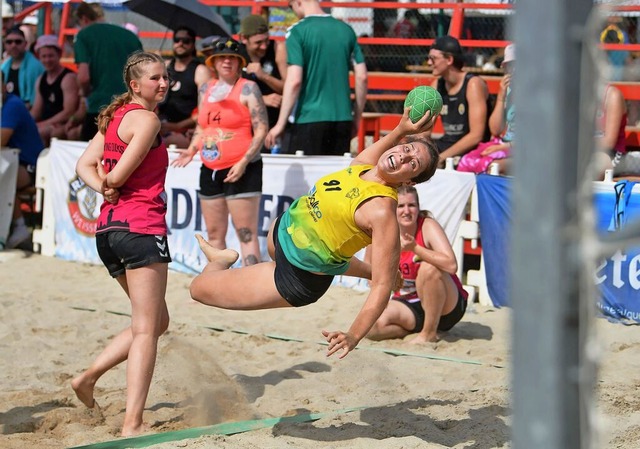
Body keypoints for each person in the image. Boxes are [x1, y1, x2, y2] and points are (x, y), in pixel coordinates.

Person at [189, 108, 440, 359]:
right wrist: (402, 130)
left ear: (410, 182)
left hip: (297, 277)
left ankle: (222, 260)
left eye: (413, 164)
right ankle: (367, 268)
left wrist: (353, 335)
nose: (404, 158)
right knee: (330, 250)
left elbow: (383, 287)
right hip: (281, 233)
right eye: (407, 150)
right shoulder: (363, 167)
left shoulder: (382, 212)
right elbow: (389, 146)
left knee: (198, 289)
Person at [72, 51, 171, 437]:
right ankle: (133, 424)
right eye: (155, 79)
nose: (162, 84)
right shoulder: (146, 119)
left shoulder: (115, 117)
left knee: (156, 321)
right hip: (140, 228)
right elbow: (121, 174)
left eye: (165, 78)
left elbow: (85, 165)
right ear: (135, 85)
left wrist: (102, 187)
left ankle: (88, 378)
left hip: (108, 232)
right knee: (148, 328)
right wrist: (108, 185)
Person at [172, 38, 268, 267]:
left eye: (232, 58)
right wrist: (191, 150)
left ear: (239, 63)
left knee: (245, 233)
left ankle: (251, 287)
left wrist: (244, 162)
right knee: (214, 234)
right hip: (211, 166)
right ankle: (216, 285)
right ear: (213, 62)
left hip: (242, 167)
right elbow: (203, 127)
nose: (227, 61)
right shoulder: (206, 88)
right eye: (222, 57)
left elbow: (262, 128)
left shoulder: (247, 87)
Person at [264, 0, 368, 156]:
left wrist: (280, 124)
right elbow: (362, 76)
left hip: (308, 118)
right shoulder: (346, 30)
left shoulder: (297, 31)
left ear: (298, 2)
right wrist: (356, 117)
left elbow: (294, 81)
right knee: (336, 177)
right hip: (342, 118)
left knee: (308, 178)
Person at [366, 185, 468, 344]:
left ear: (418, 207)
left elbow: (451, 265)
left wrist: (416, 248)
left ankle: (429, 333)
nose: (406, 211)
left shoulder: (427, 226)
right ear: (393, 208)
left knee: (428, 269)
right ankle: (412, 330)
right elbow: (369, 272)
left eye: (411, 205)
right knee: (371, 328)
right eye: (401, 206)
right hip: (409, 302)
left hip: (447, 306)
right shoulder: (382, 231)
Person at [74, 1, 143, 141]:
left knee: (89, 156)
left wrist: (84, 93)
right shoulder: (130, 36)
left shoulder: (83, 35)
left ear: (84, 19)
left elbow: (83, 77)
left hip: (100, 106)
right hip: (131, 106)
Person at [421, 35, 489, 167]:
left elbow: (476, 136)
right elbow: (425, 128)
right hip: (447, 144)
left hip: (473, 149)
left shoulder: (472, 84)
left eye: (433, 58)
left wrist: (441, 158)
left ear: (449, 59)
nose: (429, 63)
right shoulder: (437, 85)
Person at [1, 72, 45, 249]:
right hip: (12, 162)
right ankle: (18, 226)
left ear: (4, 86)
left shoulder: (12, 105)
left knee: (3, 176)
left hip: (32, 166)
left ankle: (19, 226)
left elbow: (1, 140)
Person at [457, 43, 515, 175]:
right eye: (509, 67)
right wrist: (501, 96)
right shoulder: (509, 91)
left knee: (492, 166)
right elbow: (495, 129)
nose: (512, 71)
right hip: (504, 143)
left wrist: (504, 147)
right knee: (466, 161)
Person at [238, 14, 287, 153]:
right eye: (258, 42)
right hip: (245, 127)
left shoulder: (277, 49)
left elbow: (287, 87)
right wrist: (262, 100)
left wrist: (264, 76)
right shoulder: (236, 55)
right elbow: (228, 93)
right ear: (243, 39)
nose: (264, 46)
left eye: (266, 40)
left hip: (273, 126)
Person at [158, 25, 211, 148]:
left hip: (186, 131)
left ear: (193, 45)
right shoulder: (165, 66)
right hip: (161, 126)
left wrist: (177, 126)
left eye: (186, 41)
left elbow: (205, 109)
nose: (180, 43)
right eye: (177, 40)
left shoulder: (200, 70)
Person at [30, 35, 80, 146]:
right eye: (44, 56)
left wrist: (43, 124)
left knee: (41, 132)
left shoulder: (68, 78)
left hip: (63, 123)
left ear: (59, 55)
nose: (47, 60)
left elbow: (69, 111)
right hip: (47, 123)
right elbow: (36, 111)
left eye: (51, 56)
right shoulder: (40, 80)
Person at [595, 84, 638, 179]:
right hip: (588, 150)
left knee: (594, 165)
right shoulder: (578, 95)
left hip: (612, 155)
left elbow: (609, 142)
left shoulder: (612, 96)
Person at [1, 27, 44, 108]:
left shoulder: (35, 67)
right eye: (9, 42)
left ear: (25, 44)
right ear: (4, 45)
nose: (13, 45)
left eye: (18, 42)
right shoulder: (3, 67)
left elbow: (33, 103)